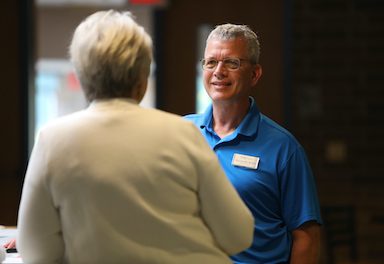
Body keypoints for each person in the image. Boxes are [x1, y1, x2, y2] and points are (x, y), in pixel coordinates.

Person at [16, 11, 254, 264]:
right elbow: (238, 236)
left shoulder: (52, 140)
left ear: (83, 78)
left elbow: (36, 254)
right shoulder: (183, 134)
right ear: (142, 79)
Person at [184, 24, 323, 263]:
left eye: (232, 63)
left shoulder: (284, 149)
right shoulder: (182, 132)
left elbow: (307, 238)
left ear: (255, 74)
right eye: (210, 62)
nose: (219, 71)